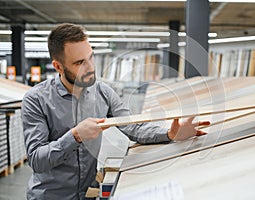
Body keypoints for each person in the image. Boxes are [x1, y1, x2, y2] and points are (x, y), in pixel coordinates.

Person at [21, 23, 210, 200]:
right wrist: (75, 136)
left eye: (91, 57)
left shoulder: (102, 92)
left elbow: (134, 128)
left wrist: (170, 133)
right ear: (58, 67)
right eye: (79, 63)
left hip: (88, 195)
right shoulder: (36, 100)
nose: (91, 68)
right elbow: (37, 160)